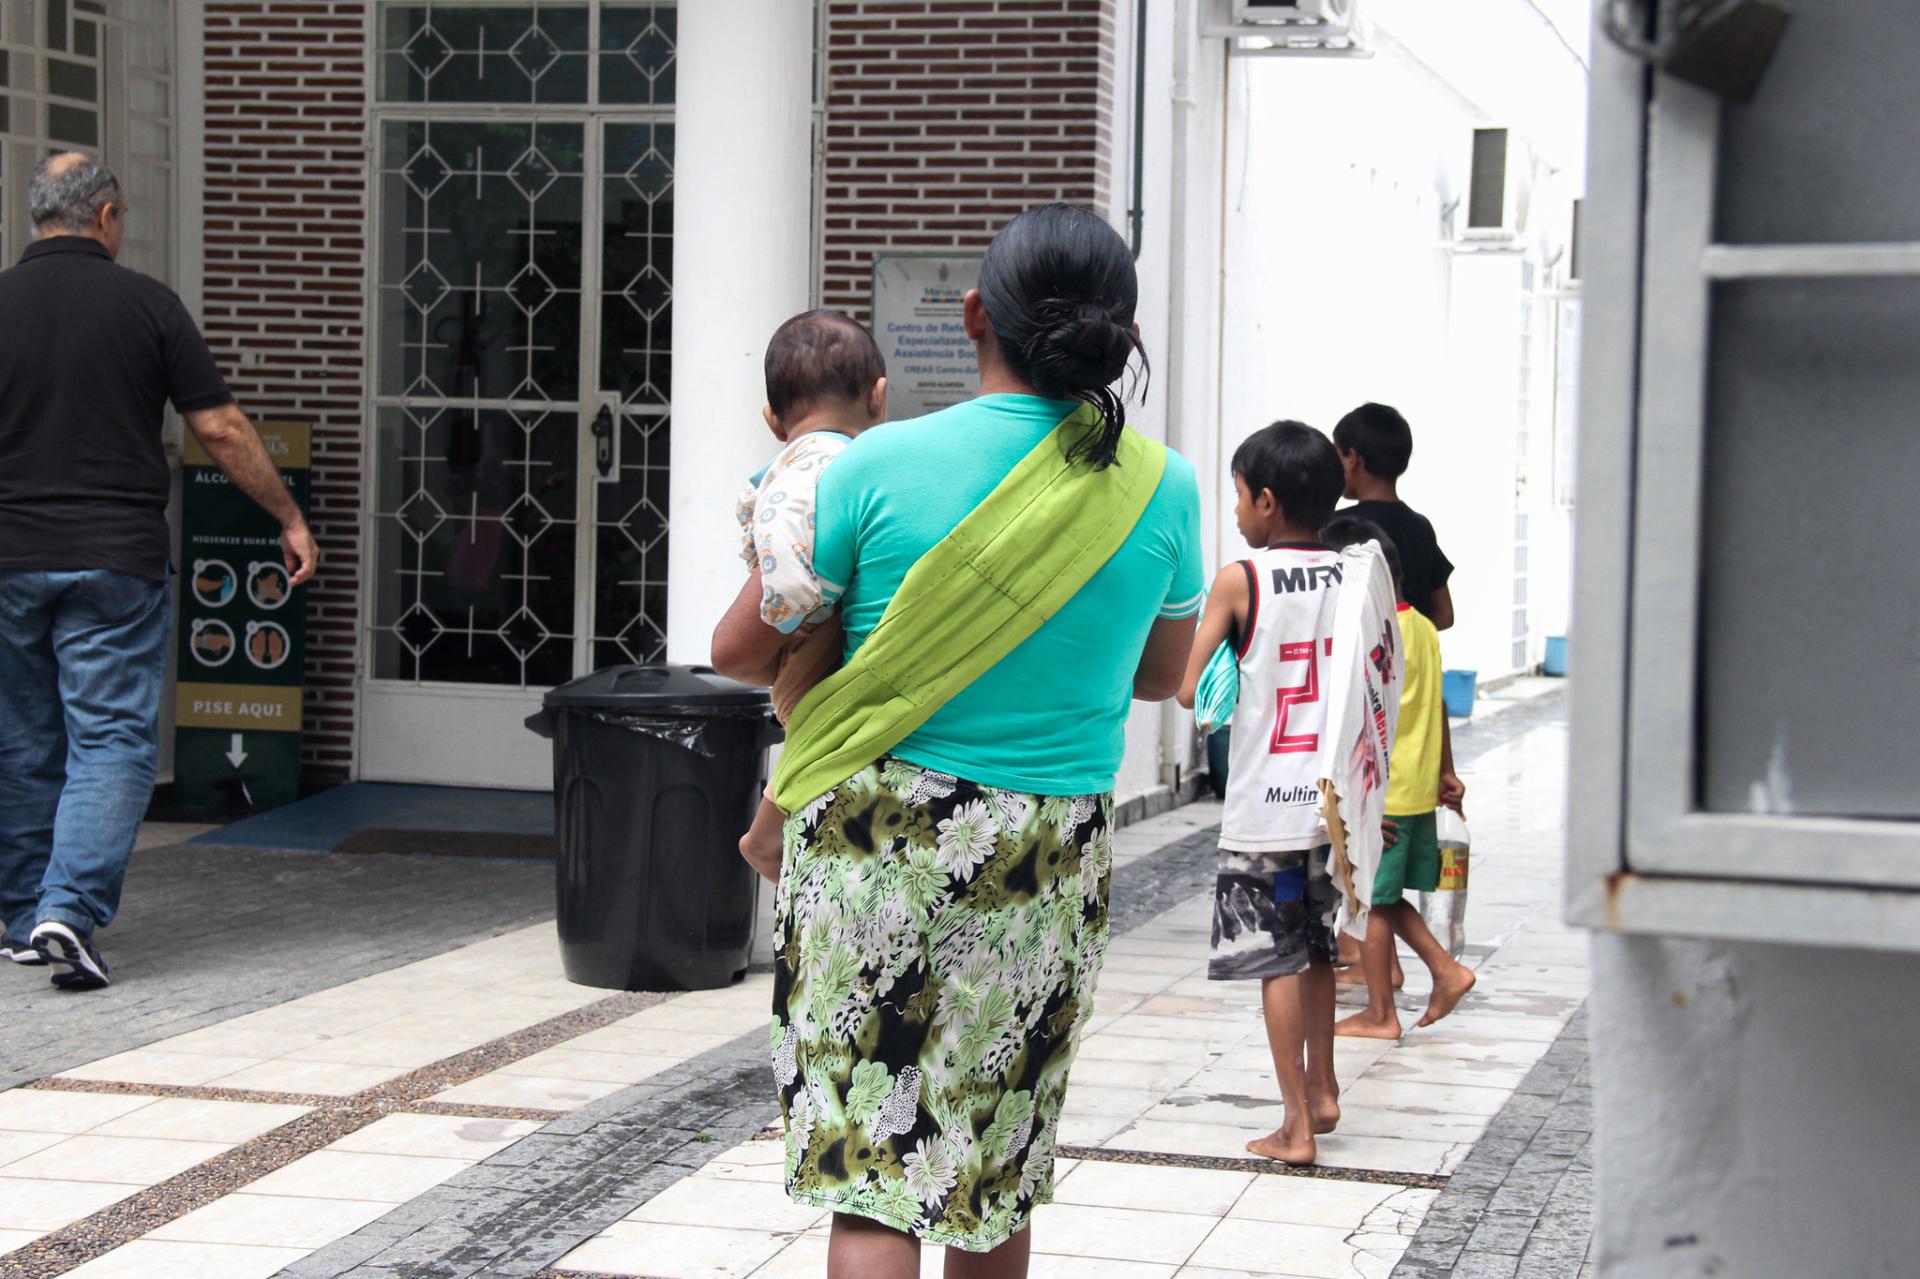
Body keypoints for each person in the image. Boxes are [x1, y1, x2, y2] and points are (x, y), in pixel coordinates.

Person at [712, 203, 1202, 1279]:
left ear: (977, 313)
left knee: (870, 1167)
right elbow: (1167, 678)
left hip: (874, 835)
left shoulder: (876, 466)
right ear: (1116, 332)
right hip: (1044, 851)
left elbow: (746, 650)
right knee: (987, 1169)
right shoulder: (1161, 485)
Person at [0, 153, 318, 990]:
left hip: (10, 557)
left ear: (40, 216)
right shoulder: (148, 305)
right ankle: (66, 908)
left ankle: (23, 912)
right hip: (116, 560)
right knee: (109, 742)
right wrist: (286, 516)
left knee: (26, 740)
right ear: (105, 215)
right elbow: (219, 429)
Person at [1176, 420, 1359, 1168]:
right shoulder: (1357, 575)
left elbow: (1189, 687)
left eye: (1241, 498)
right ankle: (1323, 1087)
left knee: (1276, 957)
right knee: (1316, 947)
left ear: (1269, 501)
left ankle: (1294, 1124)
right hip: (1336, 811)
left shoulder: (1241, 580)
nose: (1239, 512)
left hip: (1267, 811)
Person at [729, 309, 888, 881]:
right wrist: (795, 611)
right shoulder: (824, 464)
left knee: (810, 723)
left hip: (807, 612)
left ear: (774, 418)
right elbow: (781, 538)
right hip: (808, 619)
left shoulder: (797, 458)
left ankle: (768, 832)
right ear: (879, 397)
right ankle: (764, 837)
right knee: (813, 722)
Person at [1320, 516, 1476, 1039]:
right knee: (1383, 896)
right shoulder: (1426, 630)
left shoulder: (1372, 635)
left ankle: (1382, 1013)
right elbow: (1439, 707)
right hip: (1415, 785)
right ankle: (1445, 970)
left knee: (1372, 900)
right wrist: (1446, 772)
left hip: (1385, 789)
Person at [1332, 402, 1455, 630]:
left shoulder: (1337, 527)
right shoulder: (1421, 527)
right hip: (1412, 664)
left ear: (1352, 458)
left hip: (1361, 663)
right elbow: (1445, 614)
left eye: (1336, 455)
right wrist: (1406, 638)